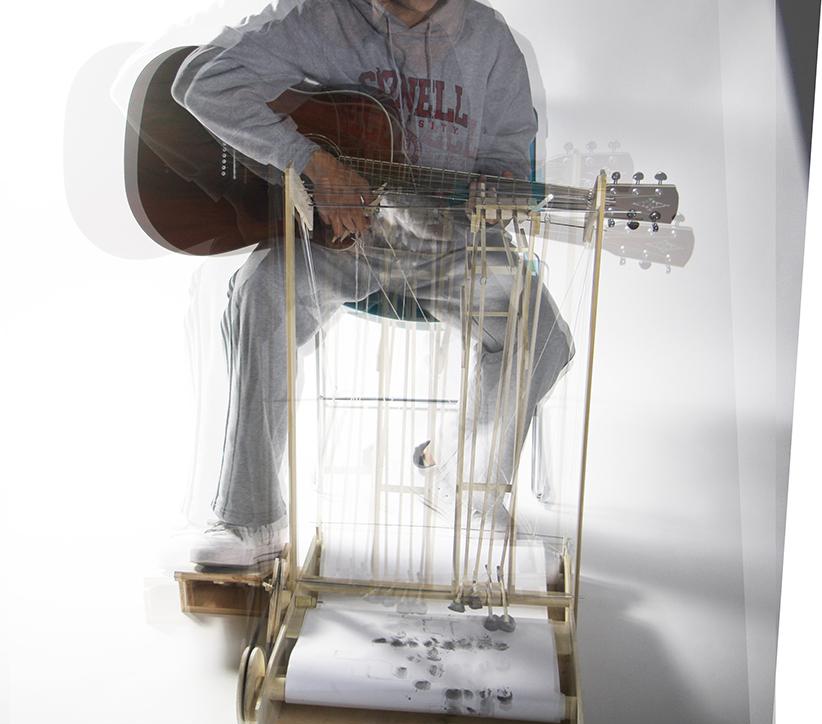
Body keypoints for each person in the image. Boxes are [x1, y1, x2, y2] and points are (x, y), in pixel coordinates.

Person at [172, 0, 573, 567]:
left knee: (544, 335)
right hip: (345, 238)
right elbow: (201, 82)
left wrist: (504, 184)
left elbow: (508, 148)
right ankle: (251, 519)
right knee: (261, 292)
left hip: (452, 244)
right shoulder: (321, 15)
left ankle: (464, 485)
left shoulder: (488, 36)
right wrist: (314, 163)